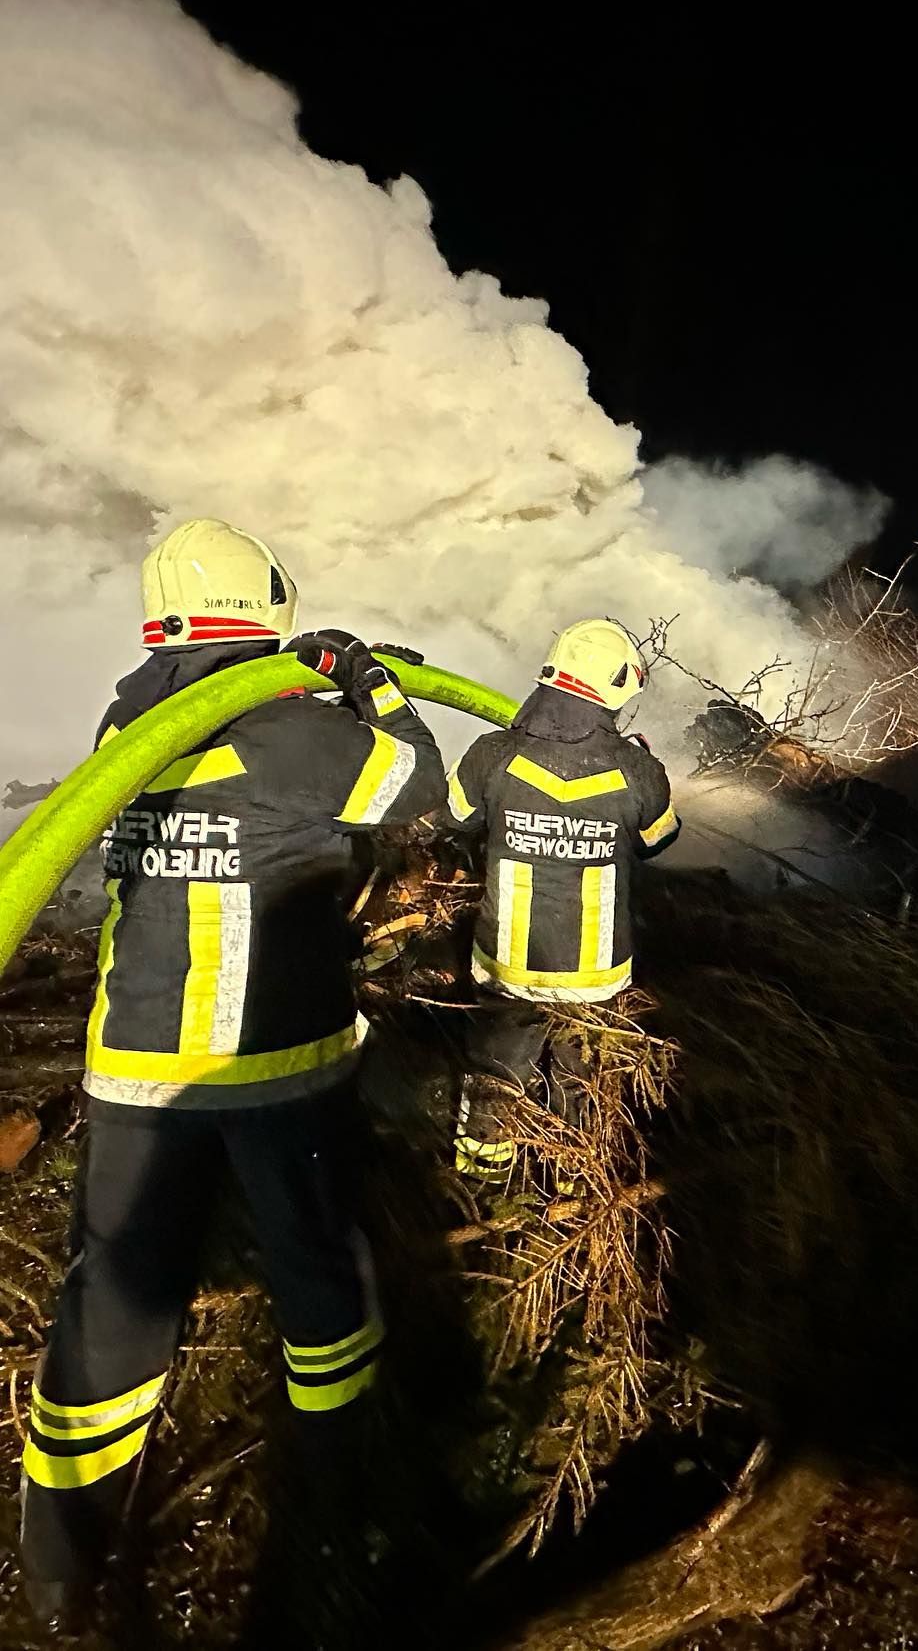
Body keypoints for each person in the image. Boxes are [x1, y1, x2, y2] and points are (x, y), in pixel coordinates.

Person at [19, 518, 445, 1630]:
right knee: (319, 1272)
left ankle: (60, 1563)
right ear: (265, 602)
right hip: (272, 1064)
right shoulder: (293, 729)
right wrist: (367, 684)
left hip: (134, 1065)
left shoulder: (134, 716)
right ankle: (336, 1489)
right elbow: (415, 786)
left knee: (111, 1301)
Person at [445, 619, 679, 1178]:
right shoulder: (638, 770)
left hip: (507, 961)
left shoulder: (492, 753)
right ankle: (575, 1179)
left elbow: (453, 819)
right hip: (595, 972)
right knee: (583, 1081)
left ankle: (482, 1179)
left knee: (495, 1072)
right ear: (618, 690)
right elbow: (658, 840)